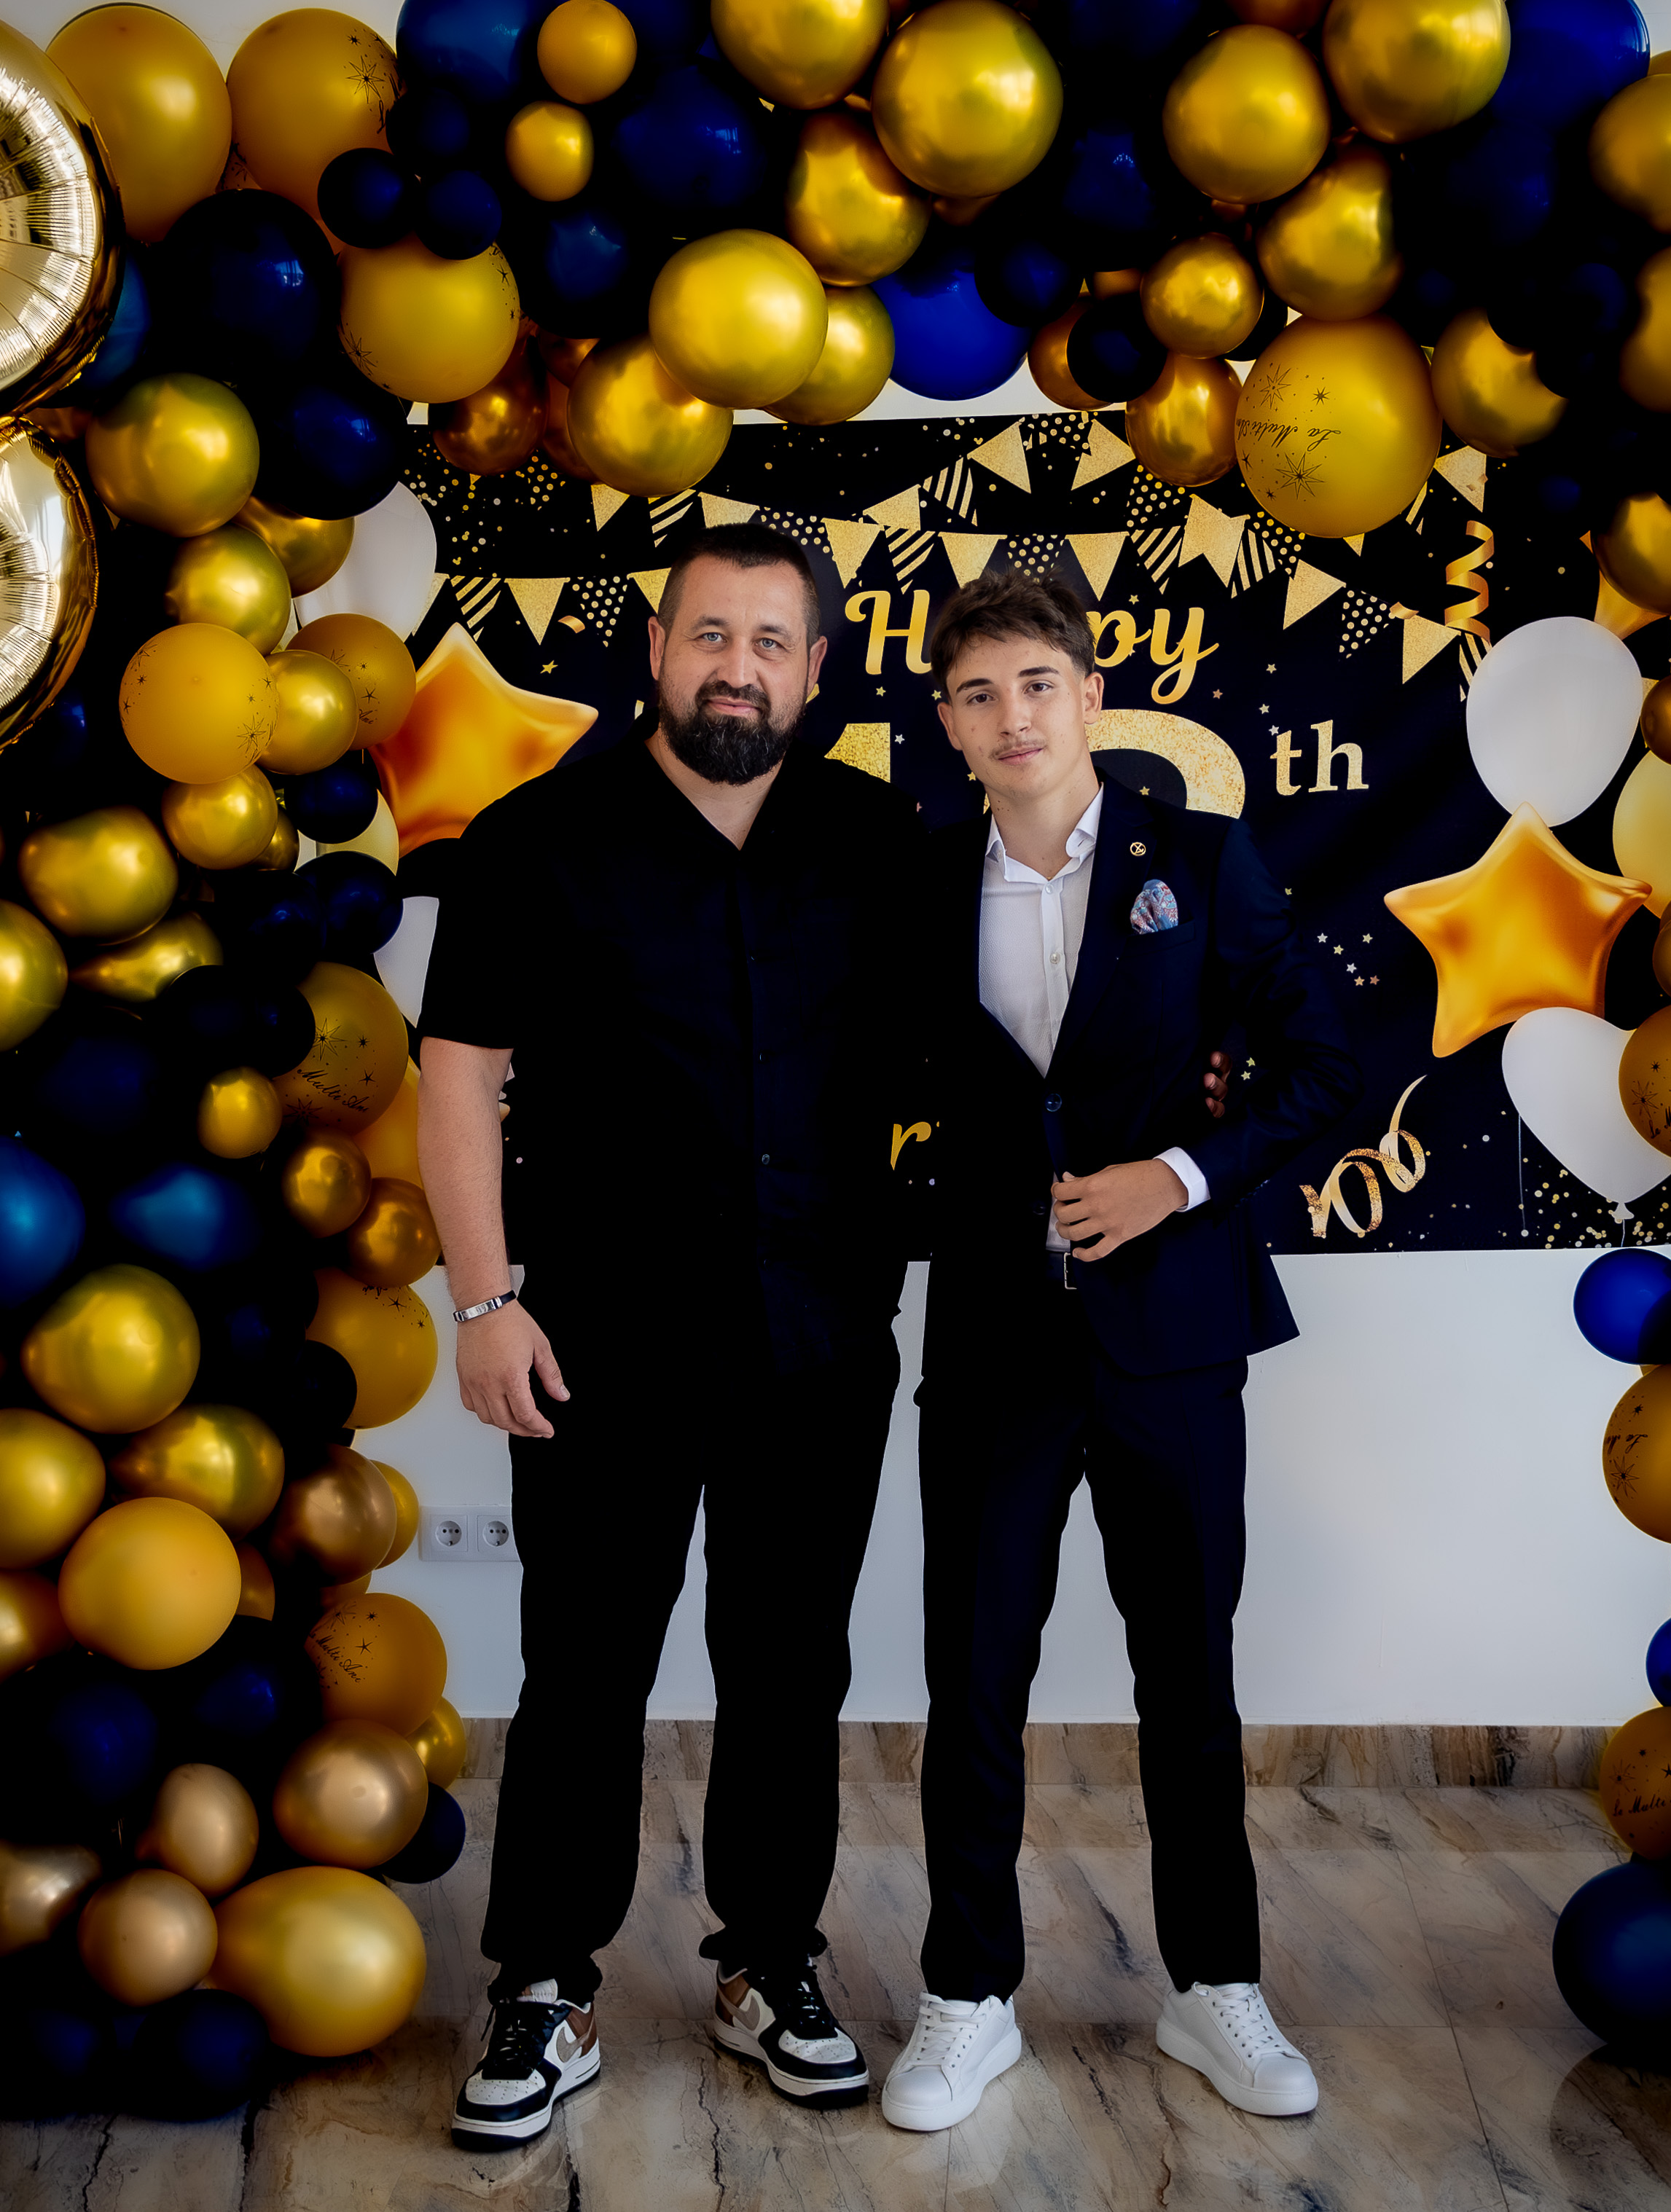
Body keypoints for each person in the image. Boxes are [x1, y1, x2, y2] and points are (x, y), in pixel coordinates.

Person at [418, 524, 919, 2148]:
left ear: (816, 671)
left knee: (792, 1665)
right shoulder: (534, 839)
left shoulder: (876, 840)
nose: (737, 671)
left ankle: (769, 1960)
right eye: (711, 636)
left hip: (819, 1334)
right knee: (585, 1667)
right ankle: (545, 1981)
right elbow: (458, 1076)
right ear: (657, 650)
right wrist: (483, 1301)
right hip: (596, 1340)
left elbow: (987, 1040)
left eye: (771, 644)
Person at [881, 570, 1363, 2133]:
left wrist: (1180, 1175)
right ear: (949, 724)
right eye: (977, 694)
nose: (1010, 716)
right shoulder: (920, 882)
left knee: (1187, 1674)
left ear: (1090, 696)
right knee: (972, 1676)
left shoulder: (1204, 861)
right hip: (995, 1340)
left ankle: (1213, 1984)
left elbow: (1325, 1065)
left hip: (1173, 1337)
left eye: (1036, 684)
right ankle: (969, 1996)